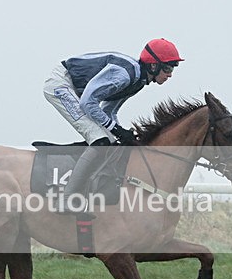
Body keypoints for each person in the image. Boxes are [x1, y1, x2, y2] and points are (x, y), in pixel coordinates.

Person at [43, 38, 183, 212]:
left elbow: (109, 111)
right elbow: (88, 103)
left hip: (77, 91)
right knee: (100, 140)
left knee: (111, 141)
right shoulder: (125, 75)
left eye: (173, 69)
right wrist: (117, 130)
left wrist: (121, 133)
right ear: (153, 66)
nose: (170, 74)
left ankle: (92, 189)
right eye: (168, 68)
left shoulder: (138, 81)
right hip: (60, 86)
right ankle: (67, 200)